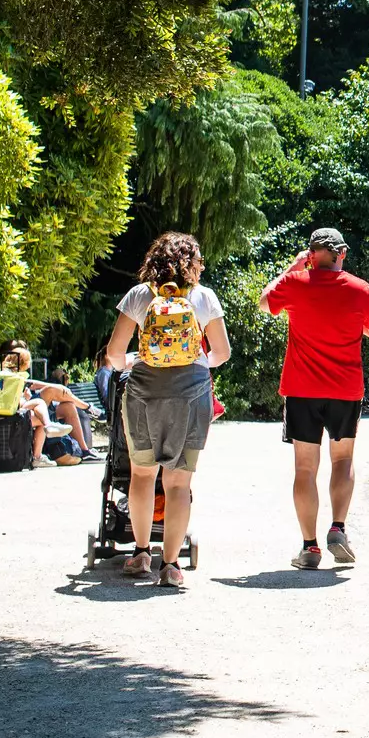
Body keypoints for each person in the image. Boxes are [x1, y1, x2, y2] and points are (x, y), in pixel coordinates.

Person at [101, 233, 231, 588]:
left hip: (144, 392)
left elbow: (114, 354)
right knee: (179, 483)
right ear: (193, 263)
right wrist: (196, 361)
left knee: (143, 476)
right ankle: (171, 565)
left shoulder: (140, 296)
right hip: (192, 396)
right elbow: (221, 353)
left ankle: (141, 552)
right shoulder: (203, 298)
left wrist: (134, 359)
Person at [259, 227, 369, 569]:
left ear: (311, 254)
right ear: (341, 253)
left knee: (304, 468)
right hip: (345, 389)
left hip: (301, 390)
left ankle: (309, 548)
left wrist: (292, 268)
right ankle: (338, 528)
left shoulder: (295, 282)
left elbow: (264, 301)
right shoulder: (360, 289)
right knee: (342, 460)